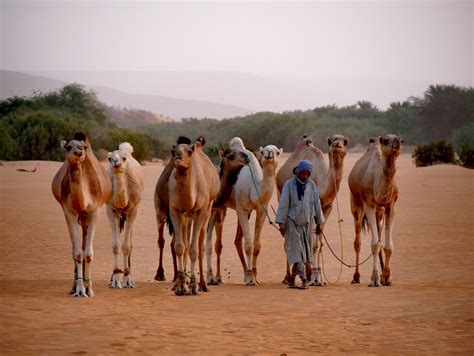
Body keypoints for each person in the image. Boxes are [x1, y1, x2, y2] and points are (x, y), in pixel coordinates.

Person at [275, 159, 325, 289]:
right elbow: (284, 204)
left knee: (305, 254)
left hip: (307, 225)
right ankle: (304, 280)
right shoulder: (289, 185)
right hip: (292, 223)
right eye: (302, 173)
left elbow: (317, 205)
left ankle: (291, 278)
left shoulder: (312, 186)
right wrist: (281, 223)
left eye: (307, 173)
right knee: (297, 253)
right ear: (297, 172)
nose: (304, 176)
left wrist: (320, 223)